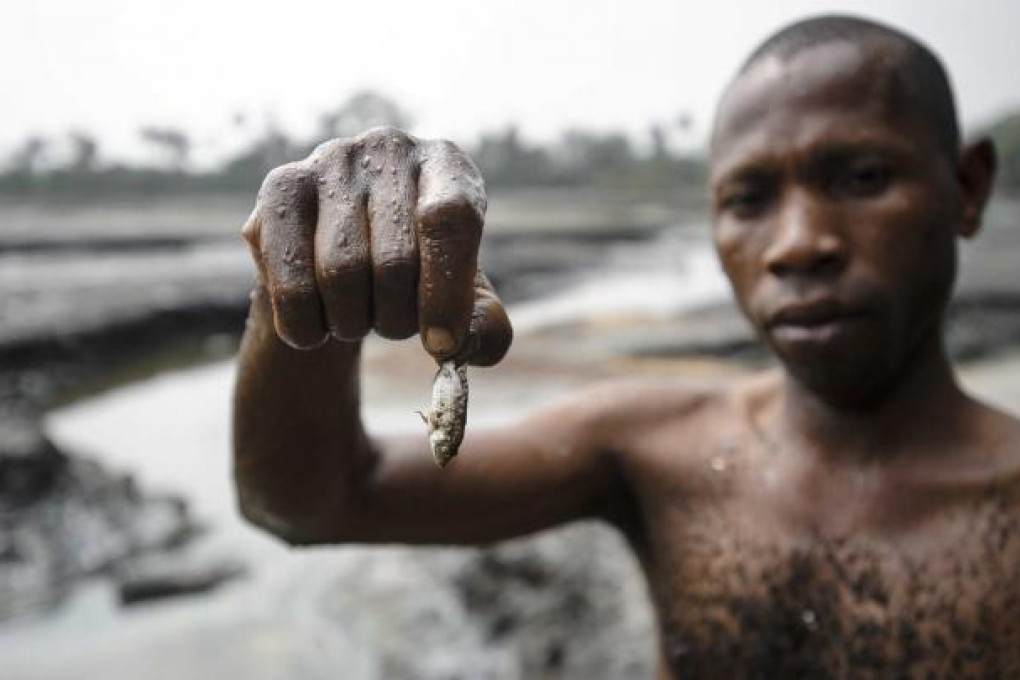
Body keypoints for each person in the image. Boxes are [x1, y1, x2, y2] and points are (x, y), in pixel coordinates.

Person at [232, 14, 1020, 677]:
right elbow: (309, 500)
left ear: (969, 186)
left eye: (861, 177)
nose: (799, 243)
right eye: (748, 199)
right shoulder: (653, 449)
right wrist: (295, 297)